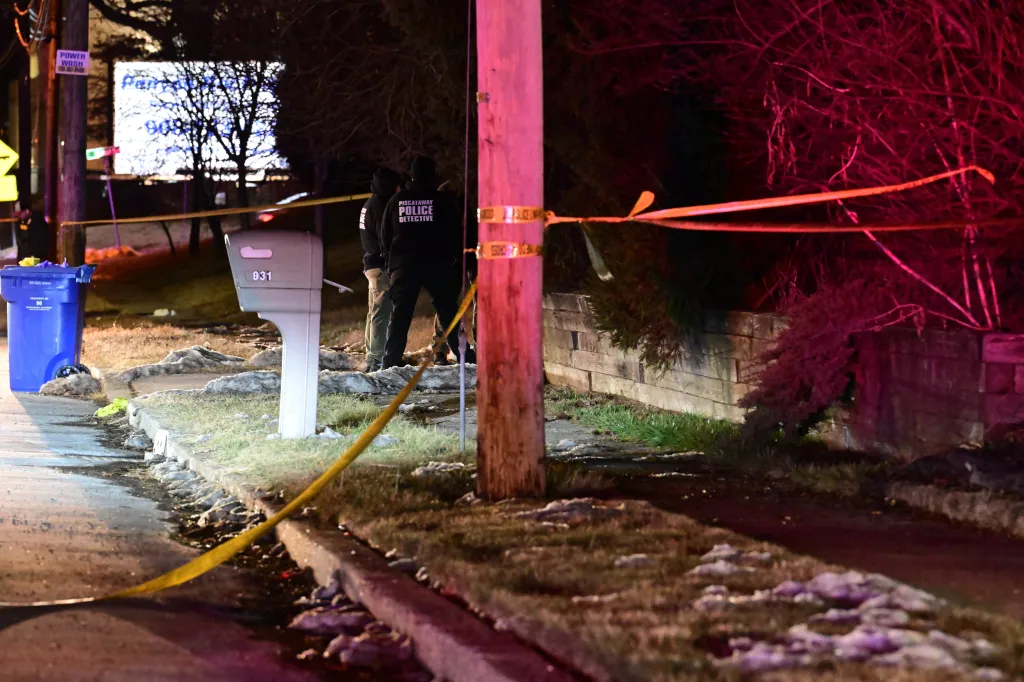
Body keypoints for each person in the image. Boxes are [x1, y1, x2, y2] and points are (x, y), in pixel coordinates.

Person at [380, 156, 475, 369]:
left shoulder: (397, 201)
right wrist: (454, 258)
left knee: (400, 316)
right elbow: (454, 232)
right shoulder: (441, 200)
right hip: (437, 265)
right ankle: (464, 358)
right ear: (432, 175)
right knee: (449, 313)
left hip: (405, 266)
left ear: (411, 175)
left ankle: (389, 362)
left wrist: (391, 262)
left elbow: (384, 235)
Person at [359, 167, 402, 372]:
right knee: (381, 312)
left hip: (371, 264)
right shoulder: (382, 206)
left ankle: (372, 355)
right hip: (380, 266)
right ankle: (376, 359)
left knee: (374, 312)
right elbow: (384, 239)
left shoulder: (370, 203)